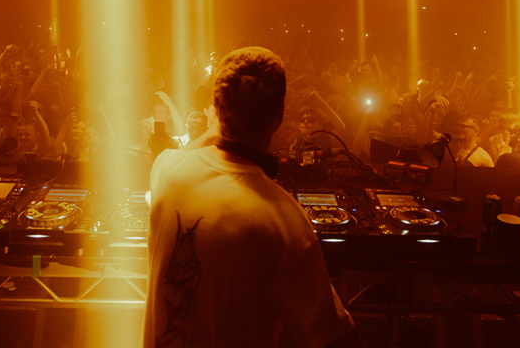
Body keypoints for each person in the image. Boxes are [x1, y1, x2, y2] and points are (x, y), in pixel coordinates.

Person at [144, 47, 363, 348]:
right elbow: (334, 338)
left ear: (216, 108)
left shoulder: (166, 170)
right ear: (279, 115)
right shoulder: (284, 221)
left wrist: (220, 120)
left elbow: (189, 151)